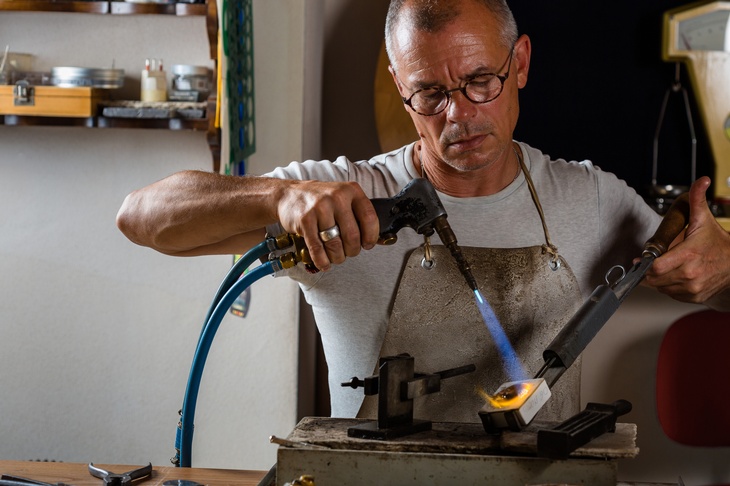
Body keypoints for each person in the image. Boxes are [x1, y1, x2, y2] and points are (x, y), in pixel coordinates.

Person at [117, 0, 730, 422]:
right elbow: (141, 218)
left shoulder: (589, 199)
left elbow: (709, 275)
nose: (458, 114)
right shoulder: (343, 196)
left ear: (519, 63)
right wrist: (275, 196)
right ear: (398, 84)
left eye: (479, 81)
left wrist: (723, 262)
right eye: (430, 94)